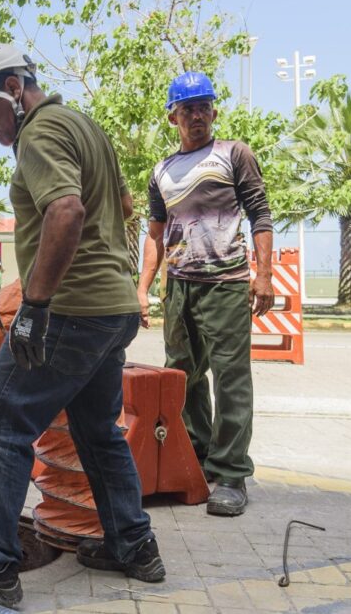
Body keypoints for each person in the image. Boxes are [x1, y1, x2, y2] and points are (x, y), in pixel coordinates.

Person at [0, 43, 162, 607]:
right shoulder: (83, 125)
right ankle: (132, 544)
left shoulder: (40, 135)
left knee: (0, 424)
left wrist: (37, 306)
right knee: (98, 431)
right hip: (111, 309)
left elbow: (67, 210)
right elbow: (122, 205)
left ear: (12, 90)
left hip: (72, 312)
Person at [135, 71, 276, 518]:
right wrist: (142, 288)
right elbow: (155, 234)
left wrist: (265, 275)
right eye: (187, 108)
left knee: (231, 378)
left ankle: (231, 472)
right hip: (179, 287)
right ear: (172, 116)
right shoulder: (160, 171)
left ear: (214, 111)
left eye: (203, 106)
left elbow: (261, 215)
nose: (196, 115)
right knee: (182, 377)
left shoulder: (233, 155)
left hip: (226, 284)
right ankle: (194, 457)